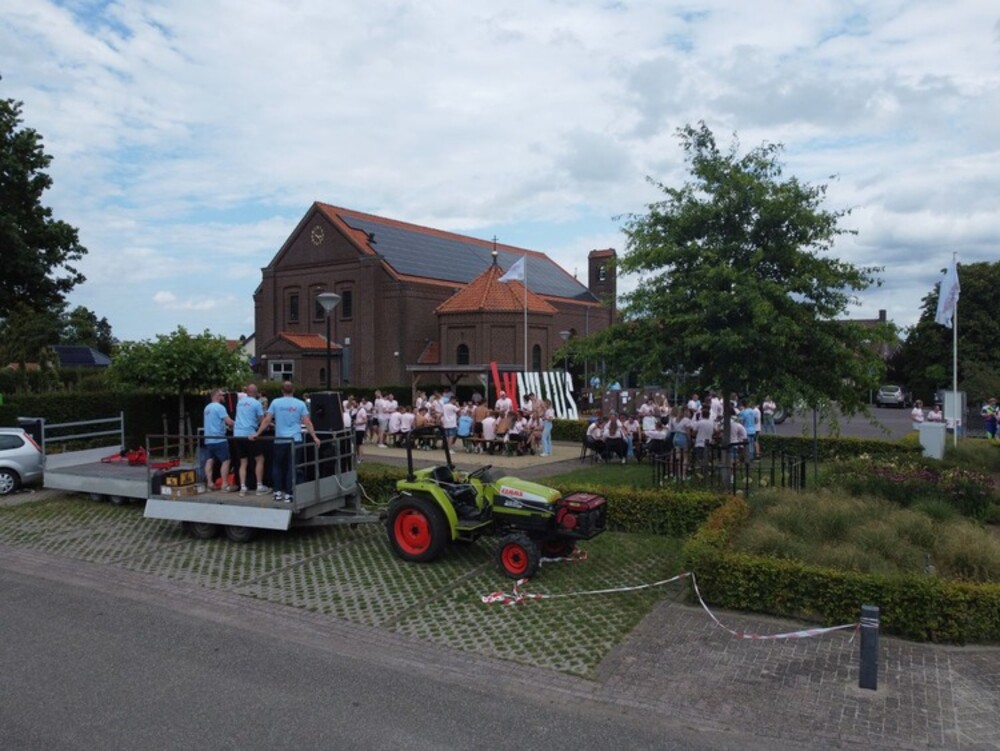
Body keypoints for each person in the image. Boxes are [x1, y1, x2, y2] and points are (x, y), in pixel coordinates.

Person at [252, 381, 320, 503]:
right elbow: (307, 422)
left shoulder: (275, 402)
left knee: (277, 466)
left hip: (280, 440)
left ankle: (277, 492)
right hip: (295, 440)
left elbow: (267, 420)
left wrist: (257, 433)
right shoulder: (300, 404)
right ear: (294, 390)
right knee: (291, 467)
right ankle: (289, 494)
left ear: (282, 391)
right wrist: (314, 437)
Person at [233, 384, 270, 497]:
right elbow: (262, 421)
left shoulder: (240, 402)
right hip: (250, 434)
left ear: (247, 392)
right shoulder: (257, 403)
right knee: (259, 459)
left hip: (237, 434)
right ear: (256, 392)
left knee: (243, 462)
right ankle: (259, 486)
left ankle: (243, 487)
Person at [203, 389, 235, 491]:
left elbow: (214, 423)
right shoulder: (220, 407)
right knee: (226, 461)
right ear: (217, 396)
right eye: (222, 395)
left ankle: (210, 483)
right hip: (219, 439)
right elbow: (229, 422)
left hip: (208, 439)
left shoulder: (207, 408)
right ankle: (224, 484)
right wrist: (239, 424)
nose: (223, 397)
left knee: (210, 461)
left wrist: (224, 427)